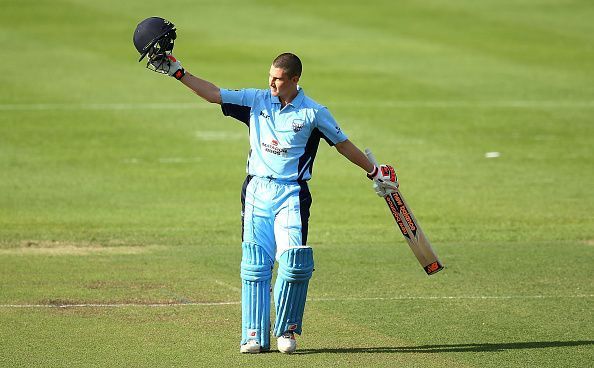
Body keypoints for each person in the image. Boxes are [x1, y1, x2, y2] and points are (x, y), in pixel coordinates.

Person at [135, 19, 398, 354]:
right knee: (255, 264)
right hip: (257, 190)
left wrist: (374, 171)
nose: (271, 83)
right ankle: (253, 335)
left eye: (278, 79)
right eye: (270, 77)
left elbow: (343, 144)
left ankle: (286, 331)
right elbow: (214, 94)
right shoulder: (256, 100)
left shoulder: (314, 113)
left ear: (294, 80)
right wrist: (179, 72)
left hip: (291, 193)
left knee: (294, 262)